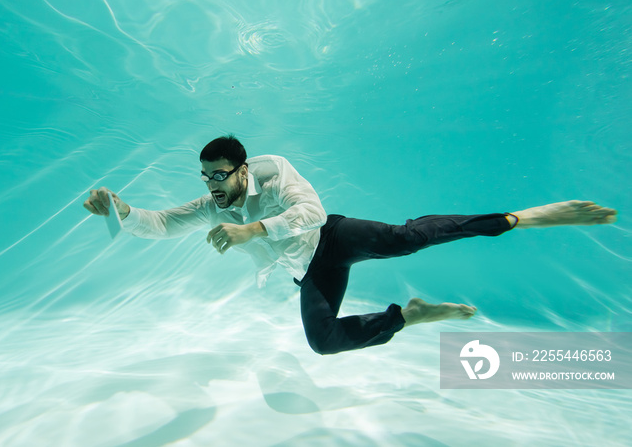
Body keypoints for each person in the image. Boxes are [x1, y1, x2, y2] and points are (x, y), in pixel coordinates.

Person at [84, 135, 618, 355]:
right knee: (322, 342)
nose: (212, 187)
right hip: (309, 271)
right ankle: (408, 316)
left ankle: (517, 218)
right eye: (205, 178)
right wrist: (119, 209)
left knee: (408, 239)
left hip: (331, 236)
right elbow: (159, 223)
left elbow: (311, 213)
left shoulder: (274, 174)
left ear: (242, 168)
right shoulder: (213, 202)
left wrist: (254, 231)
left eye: (219, 175)